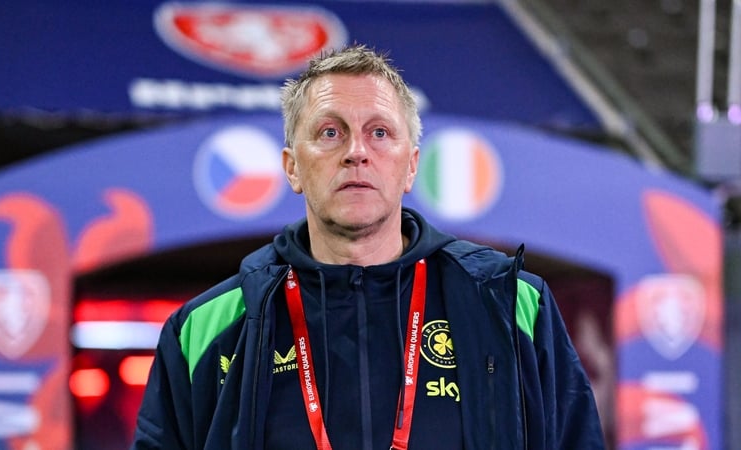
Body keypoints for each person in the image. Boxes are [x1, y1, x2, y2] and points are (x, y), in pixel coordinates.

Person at [131, 44, 606, 450]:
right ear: (292, 167)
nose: (356, 151)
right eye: (330, 132)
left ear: (411, 166)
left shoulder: (512, 305)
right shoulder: (206, 328)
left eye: (379, 132)